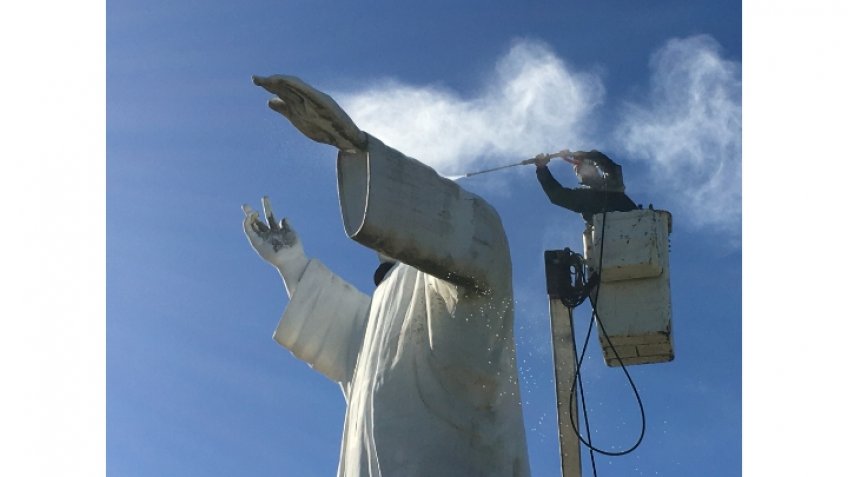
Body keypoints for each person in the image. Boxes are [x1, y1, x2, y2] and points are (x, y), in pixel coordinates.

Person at [243, 75, 530, 477]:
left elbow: (484, 239)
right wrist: (291, 263)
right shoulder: (377, 318)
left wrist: (362, 154)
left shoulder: (457, 281)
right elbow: (341, 334)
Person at [534, 149, 637, 222]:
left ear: (594, 169)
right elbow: (558, 196)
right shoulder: (585, 197)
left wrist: (584, 155)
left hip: (636, 226)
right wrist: (542, 169)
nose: (581, 172)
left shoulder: (612, 184)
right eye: (578, 171)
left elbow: (609, 165)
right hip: (612, 242)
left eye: (582, 168)